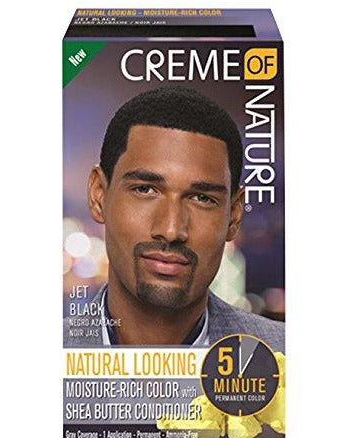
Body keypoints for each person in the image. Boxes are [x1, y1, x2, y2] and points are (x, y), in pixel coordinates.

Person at [66, 86, 284, 352]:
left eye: (202, 198)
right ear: (98, 195)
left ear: (234, 216)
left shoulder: (283, 356)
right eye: (145, 190)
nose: (171, 230)